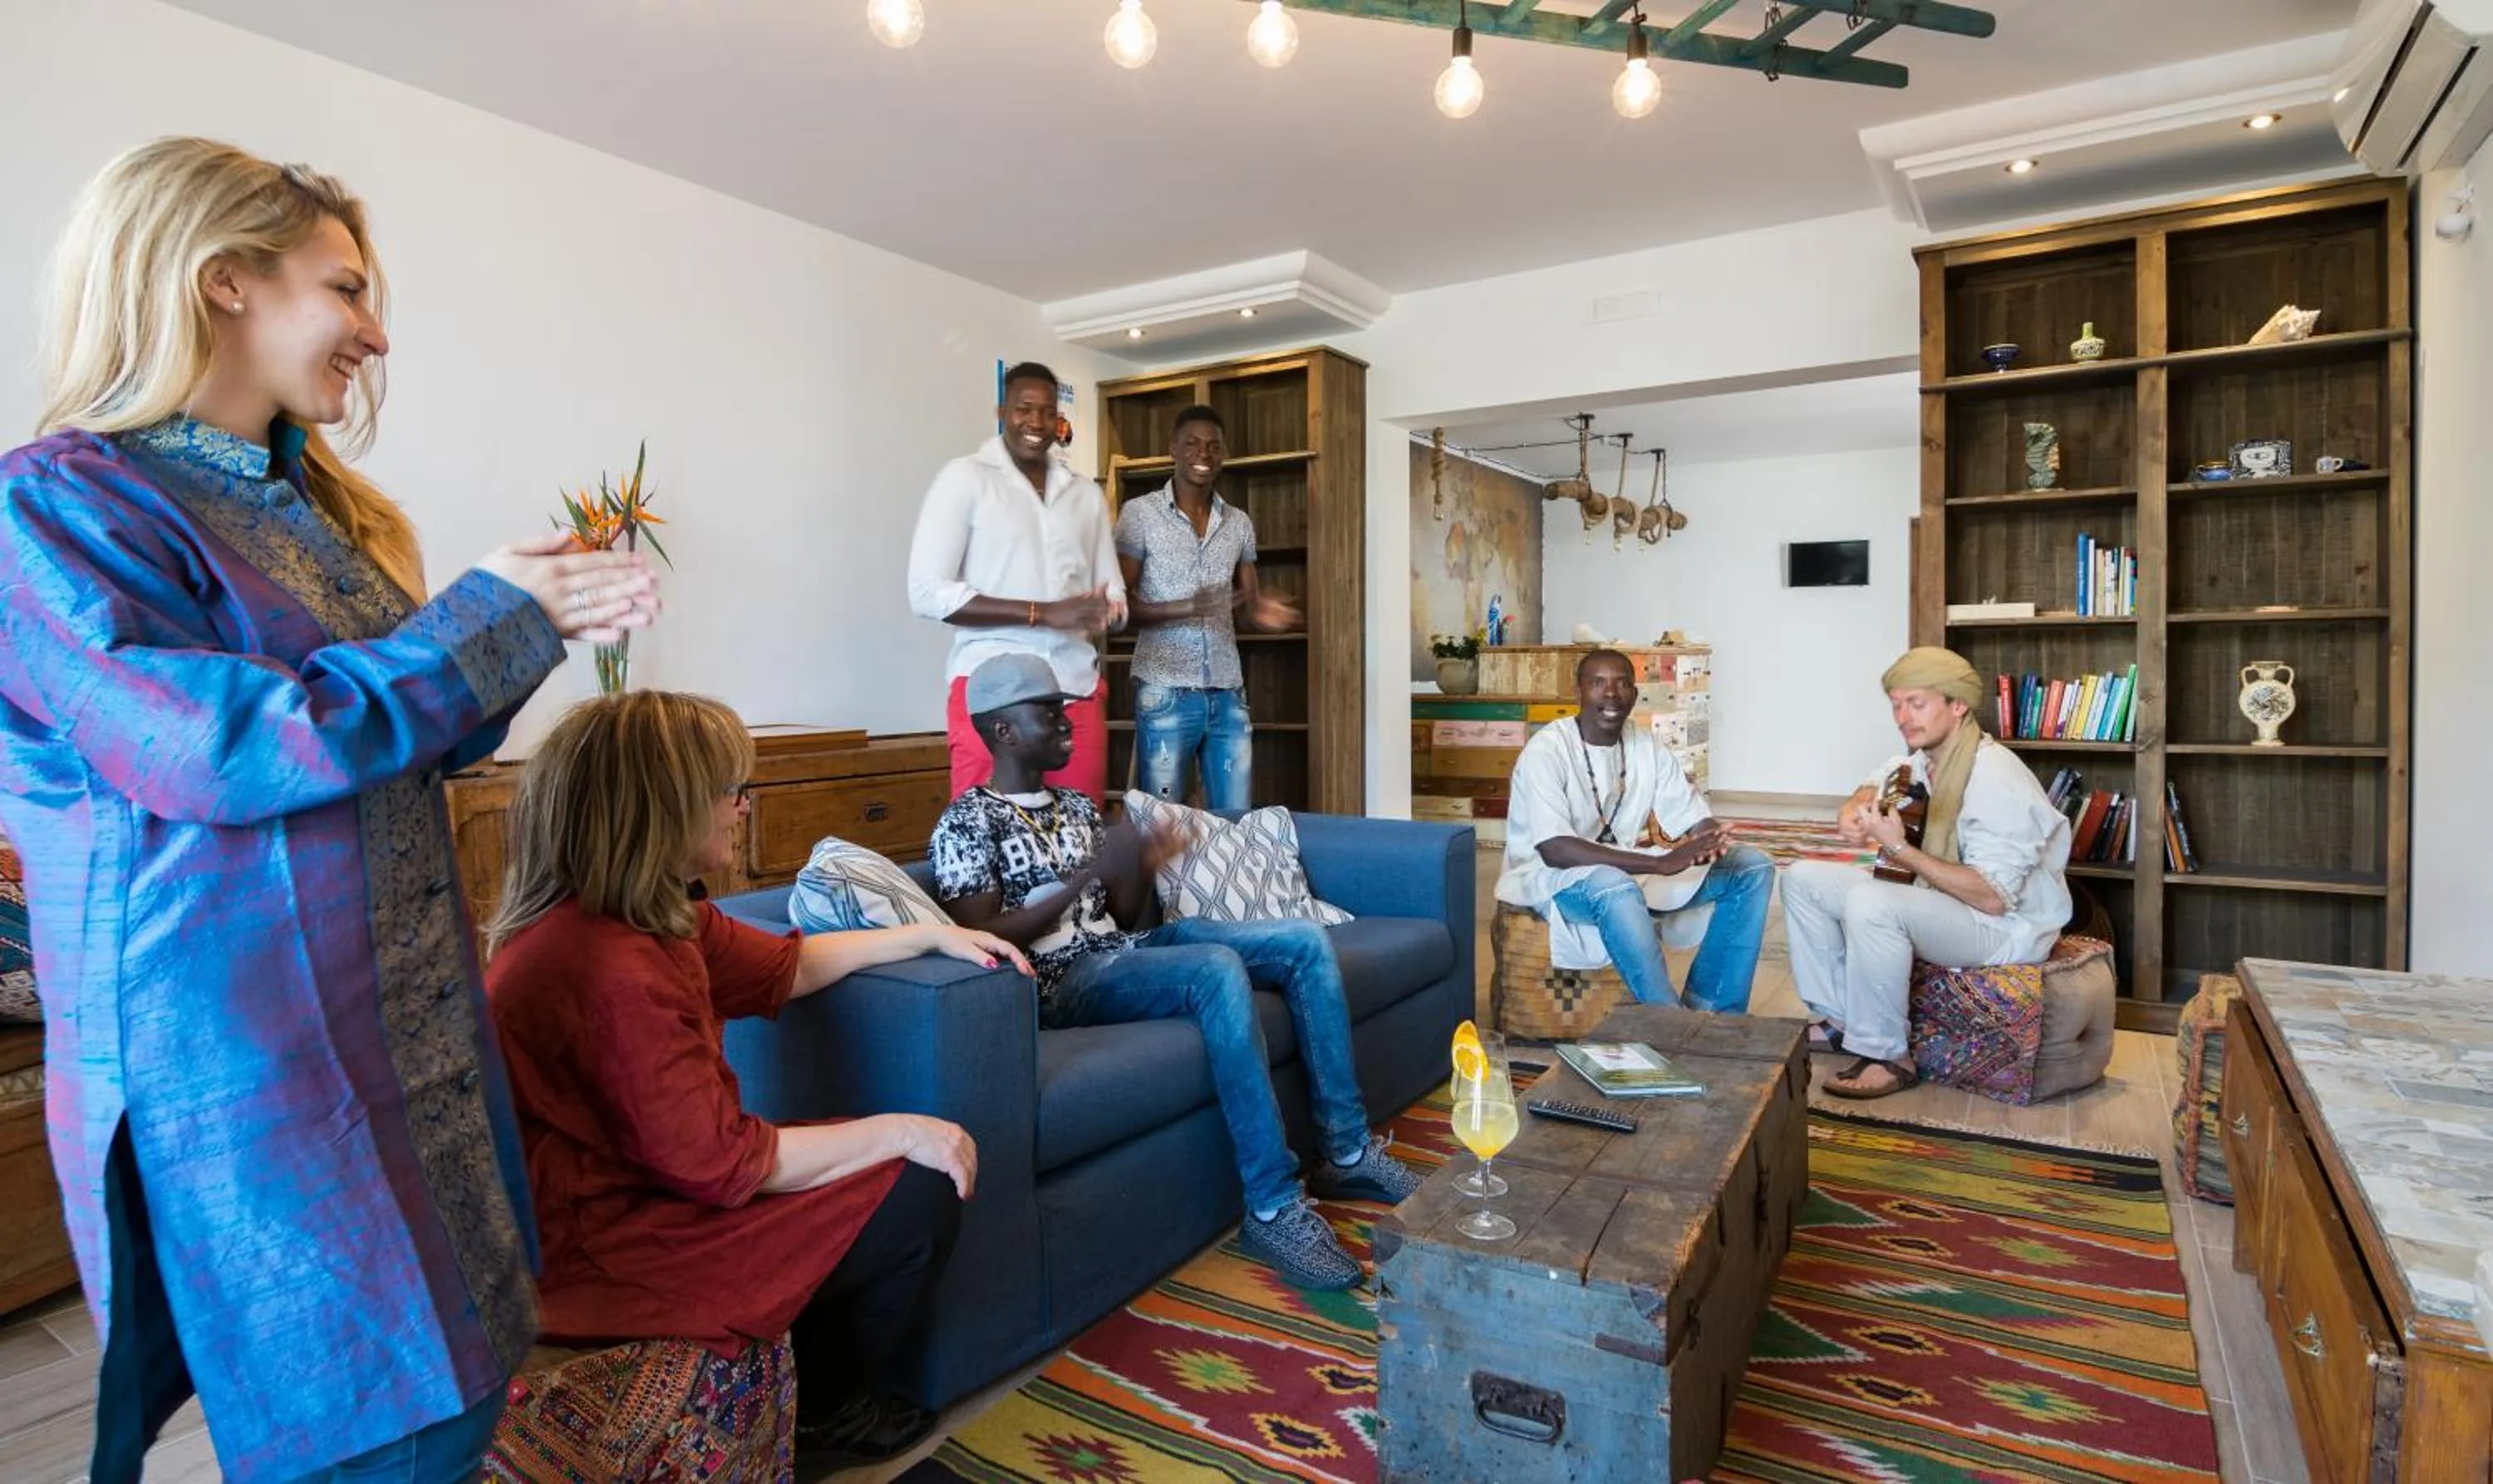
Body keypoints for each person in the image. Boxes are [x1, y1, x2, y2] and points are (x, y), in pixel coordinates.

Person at [0, 137, 660, 1482]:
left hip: (400, 1027)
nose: (377, 331)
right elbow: (221, 748)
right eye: (347, 287)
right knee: (372, 1426)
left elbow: (397, 739)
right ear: (224, 279)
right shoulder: (48, 506)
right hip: (251, 1074)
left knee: (462, 1386)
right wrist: (488, 617)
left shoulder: (311, 512)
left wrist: (528, 620)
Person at [485, 691, 1024, 1468]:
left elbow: (790, 965)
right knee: (916, 1184)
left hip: (655, 1189)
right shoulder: (608, 964)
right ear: (665, 811)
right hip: (610, 1242)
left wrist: (929, 933)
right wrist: (908, 1130)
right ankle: (823, 1420)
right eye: (730, 793)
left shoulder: (637, 915)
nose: (744, 809)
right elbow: (726, 1166)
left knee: (883, 1158)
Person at [927, 653, 1421, 1290]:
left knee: (1302, 940)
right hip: (1061, 981)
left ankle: (1347, 1150)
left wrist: (1137, 864)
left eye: (1064, 707)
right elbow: (984, 936)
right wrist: (1088, 875)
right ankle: (1272, 1204)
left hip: (1126, 950)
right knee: (1214, 970)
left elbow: (1130, 919)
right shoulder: (966, 822)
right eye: (1048, 712)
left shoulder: (1079, 808)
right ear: (1003, 731)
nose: (1066, 721)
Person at [1787, 646, 2073, 1100]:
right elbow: (1881, 775)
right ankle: (1841, 1020)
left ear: (1957, 704)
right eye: (1896, 705)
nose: (1902, 717)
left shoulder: (1994, 779)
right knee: (1802, 878)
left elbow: (1992, 897)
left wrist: (1899, 847)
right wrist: (1854, 809)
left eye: (1916, 703)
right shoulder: (1927, 759)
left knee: (1872, 901)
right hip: (1948, 904)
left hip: (2002, 927)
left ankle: (1889, 1055)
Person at [1496, 649, 1777, 1011]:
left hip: (1628, 870)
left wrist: (1709, 837)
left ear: (1634, 692)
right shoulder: (1546, 751)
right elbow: (1554, 849)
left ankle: (1715, 1012)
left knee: (1751, 866)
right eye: (1598, 683)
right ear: (1578, 691)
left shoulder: (1644, 745)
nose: (1611, 694)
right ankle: (1670, 1025)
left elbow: (1690, 812)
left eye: (1622, 683)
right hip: (1551, 877)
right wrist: (1661, 864)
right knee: (1616, 886)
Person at [907, 361, 1125, 801]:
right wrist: (1043, 613)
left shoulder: (1084, 495)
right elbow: (926, 591)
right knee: (983, 837)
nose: (1037, 422)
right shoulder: (965, 478)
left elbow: (1113, 591)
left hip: (1074, 689)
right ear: (1003, 411)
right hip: (990, 691)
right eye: (1025, 409)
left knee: (1082, 842)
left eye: (1048, 412)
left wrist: (1109, 611)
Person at [1114, 405, 1298, 809]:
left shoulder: (1239, 523)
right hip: (1164, 689)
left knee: (1234, 818)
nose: (1203, 454)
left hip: (1227, 691)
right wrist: (1184, 608)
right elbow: (1118, 607)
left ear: (1222, 455)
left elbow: (1249, 602)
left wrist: (1263, 611)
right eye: (1193, 444)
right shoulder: (1139, 515)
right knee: (1164, 823)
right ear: (1173, 449)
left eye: (1213, 447)